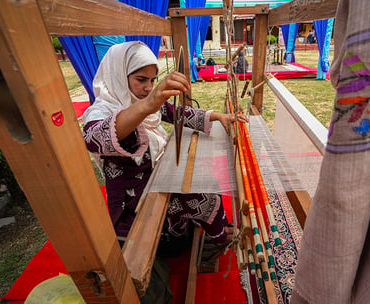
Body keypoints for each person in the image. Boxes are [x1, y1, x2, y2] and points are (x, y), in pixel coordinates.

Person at [82, 41, 248, 251]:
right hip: (133, 201)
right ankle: (220, 237)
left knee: (207, 183)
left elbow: (176, 112)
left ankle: (185, 230)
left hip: (156, 180)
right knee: (207, 201)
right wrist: (147, 105)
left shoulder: (139, 100)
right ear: (118, 75)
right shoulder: (104, 109)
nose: (148, 87)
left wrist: (218, 117)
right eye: (141, 80)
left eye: (152, 80)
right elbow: (92, 138)